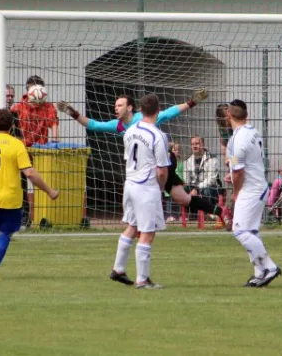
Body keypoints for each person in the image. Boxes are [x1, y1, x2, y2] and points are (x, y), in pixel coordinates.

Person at [56, 90, 233, 232]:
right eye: (115, 105)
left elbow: (168, 113)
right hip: (145, 168)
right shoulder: (117, 125)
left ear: (131, 107)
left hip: (161, 163)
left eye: (120, 105)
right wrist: (73, 113)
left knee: (146, 200)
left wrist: (191, 102)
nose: (115, 108)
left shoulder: (142, 119)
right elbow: (94, 125)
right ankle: (221, 212)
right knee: (184, 199)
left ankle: (138, 232)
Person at [0, 109, 59, 281]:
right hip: (11, 199)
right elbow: (29, 173)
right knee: (5, 234)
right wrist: (49, 190)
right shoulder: (17, 145)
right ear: (11, 125)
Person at [107, 94, 170, 289]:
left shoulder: (130, 130)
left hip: (130, 184)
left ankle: (118, 269)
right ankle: (142, 279)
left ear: (140, 110)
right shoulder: (158, 136)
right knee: (148, 233)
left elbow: (129, 158)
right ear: (158, 111)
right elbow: (161, 170)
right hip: (146, 187)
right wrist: (160, 188)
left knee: (132, 226)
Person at [227, 99, 281, 287]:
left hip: (250, 189)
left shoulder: (235, 140)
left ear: (228, 116)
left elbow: (238, 172)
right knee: (251, 231)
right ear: (246, 115)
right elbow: (243, 164)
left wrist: (235, 192)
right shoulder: (253, 131)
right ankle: (259, 273)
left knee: (240, 231)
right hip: (259, 185)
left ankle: (269, 266)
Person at [10, 75, 59, 227]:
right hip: (22, 150)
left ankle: (44, 218)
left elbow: (53, 122)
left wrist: (55, 139)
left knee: (42, 183)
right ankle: (24, 219)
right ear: (28, 90)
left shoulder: (48, 106)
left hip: (40, 151)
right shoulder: (18, 107)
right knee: (21, 185)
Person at [183, 135, 220, 208]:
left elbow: (211, 180)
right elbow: (186, 179)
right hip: (193, 186)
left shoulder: (212, 159)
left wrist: (197, 189)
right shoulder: (187, 161)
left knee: (206, 191)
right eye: (192, 144)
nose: (194, 146)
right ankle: (188, 215)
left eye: (197, 143)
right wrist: (190, 188)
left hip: (208, 187)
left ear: (203, 144)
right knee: (181, 190)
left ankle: (208, 214)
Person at [165, 142, 183, 222]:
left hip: (177, 185)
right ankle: (169, 215)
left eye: (178, 150)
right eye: (174, 150)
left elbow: (182, 174)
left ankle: (178, 215)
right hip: (170, 184)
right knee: (170, 200)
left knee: (178, 201)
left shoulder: (181, 163)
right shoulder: (168, 162)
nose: (176, 152)